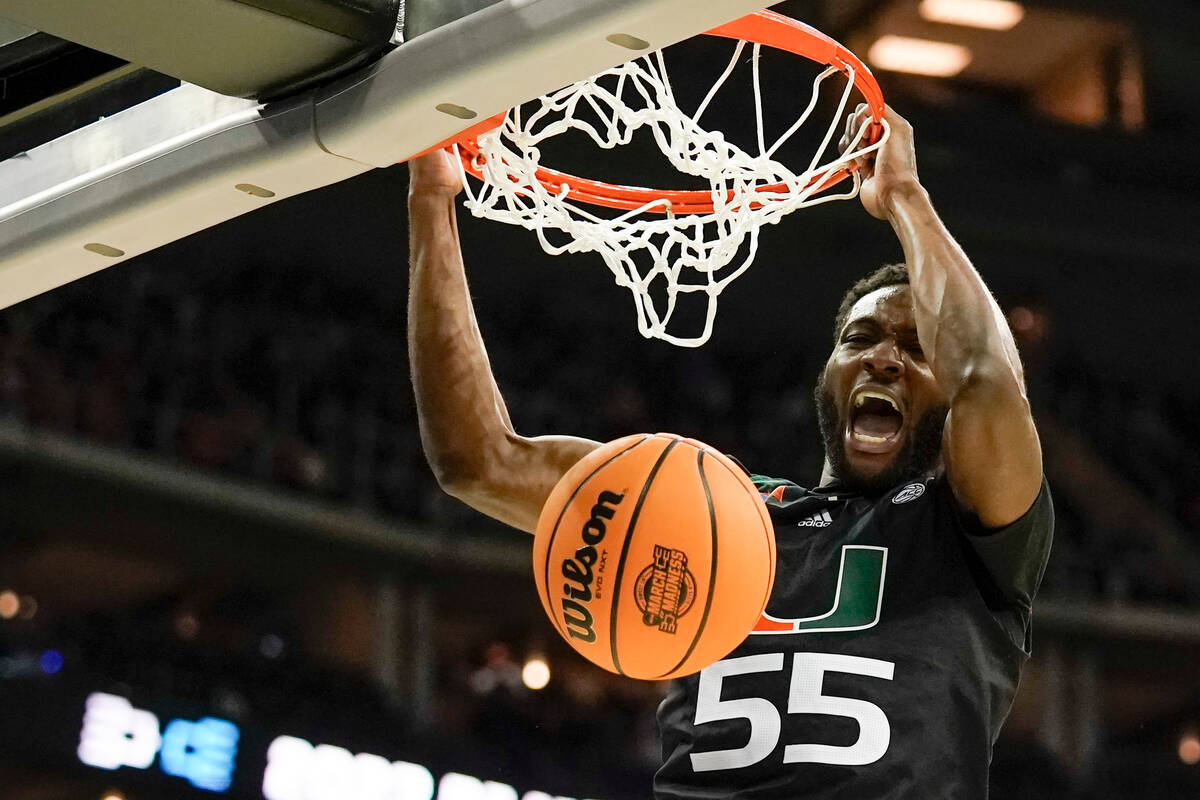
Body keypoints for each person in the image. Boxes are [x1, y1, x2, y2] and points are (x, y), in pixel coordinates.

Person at [407, 105, 1053, 798]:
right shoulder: (715, 505)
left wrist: (905, 198)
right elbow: (480, 462)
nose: (885, 359)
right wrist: (432, 200)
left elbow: (986, 381)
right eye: (860, 340)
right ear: (826, 377)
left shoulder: (972, 528)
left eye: (917, 347)